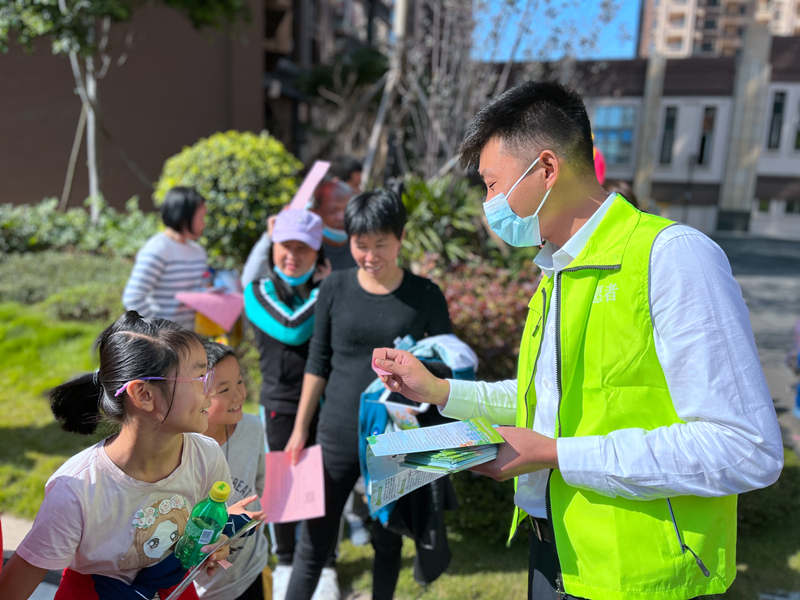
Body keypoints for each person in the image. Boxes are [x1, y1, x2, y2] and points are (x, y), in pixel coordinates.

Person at [371, 81, 784, 600]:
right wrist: (439, 392)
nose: (489, 205)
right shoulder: (557, 272)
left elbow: (746, 448)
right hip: (554, 551)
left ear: (546, 169)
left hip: (643, 576)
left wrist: (557, 453)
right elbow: (546, 400)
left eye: (493, 185)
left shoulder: (674, 256)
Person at [284, 189, 453, 600]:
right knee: (313, 544)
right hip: (337, 431)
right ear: (349, 239)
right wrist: (300, 430)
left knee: (387, 539)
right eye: (362, 245)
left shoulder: (425, 295)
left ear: (401, 238)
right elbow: (318, 363)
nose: (371, 256)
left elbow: (448, 364)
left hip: (394, 437)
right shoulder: (334, 288)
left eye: (382, 245)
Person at [0, 312, 232, 600]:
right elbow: (11, 591)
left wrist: (215, 544)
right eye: (199, 377)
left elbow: (212, 518)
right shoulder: (76, 491)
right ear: (144, 394)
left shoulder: (206, 456)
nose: (211, 391)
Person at [242, 209, 337, 600]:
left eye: (303, 248)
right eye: (286, 247)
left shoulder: (326, 287)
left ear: (317, 252)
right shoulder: (258, 290)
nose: (293, 256)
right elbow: (292, 325)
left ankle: (325, 564)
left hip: (328, 401)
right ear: (273, 247)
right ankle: (285, 561)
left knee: (327, 483)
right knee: (282, 484)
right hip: (281, 402)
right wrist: (326, 292)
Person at [193, 341, 269, 600]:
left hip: (251, 569)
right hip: (203, 587)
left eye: (240, 381)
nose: (238, 395)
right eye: (224, 389)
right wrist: (228, 525)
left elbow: (260, 484)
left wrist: (255, 517)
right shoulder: (182, 450)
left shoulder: (252, 427)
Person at [123, 187, 209, 330]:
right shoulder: (157, 250)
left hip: (192, 339)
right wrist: (159, 331)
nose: (204, 223)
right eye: (201, 217)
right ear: (184, 216)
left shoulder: (199, 253)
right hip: (165, 343)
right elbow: (133, 297)